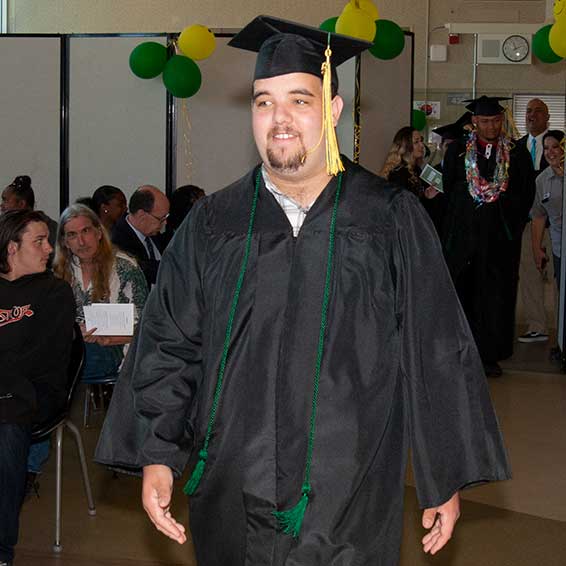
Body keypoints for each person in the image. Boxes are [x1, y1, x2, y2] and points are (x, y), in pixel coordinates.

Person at [96, 17, 509, 566]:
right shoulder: (214, 224)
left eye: (299, 99)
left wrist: (443, 472)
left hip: (348, 491)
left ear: (333, 110)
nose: (280, 119)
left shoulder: (387, 218)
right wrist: (157, 453)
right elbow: (170, 343)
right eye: (264, 102)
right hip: (231, 487)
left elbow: (433, 348)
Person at [0, 210, 75, 566]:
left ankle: (0, 550)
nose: (49, 249)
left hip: (32, 392)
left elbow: (45, 356)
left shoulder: (54, 293)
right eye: (39, 241)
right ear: (12, 247)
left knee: (7, 429)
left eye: (49, 241)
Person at [442, 96, 535, 377]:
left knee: (496, 297)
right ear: (475, 122)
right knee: (465, 293)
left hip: (499, 240)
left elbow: (525, 193)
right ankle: (463, 352)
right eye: (485, 121)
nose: (491, 126)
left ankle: (491, 355)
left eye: (496, 120)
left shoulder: (516, 153)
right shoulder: (458, 150)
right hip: (466, 239)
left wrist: (507, 220)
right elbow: (449, 189)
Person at [53, 204, 148, 382]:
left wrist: (108, 337)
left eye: (86, 231)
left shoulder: (124, 267)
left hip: (116, 349)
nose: (81, 242)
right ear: (65, 242)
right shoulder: (60, 271)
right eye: (72, 235)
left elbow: (145, 326)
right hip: (71, 347)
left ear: (98, 233)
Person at [516, 99, 551, 344]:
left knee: (557, 277)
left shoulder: (558, 145)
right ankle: (537, 325)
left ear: (547, 117)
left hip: (556, 223)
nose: (532, 115)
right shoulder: (516, 149)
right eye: (528, 111)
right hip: (528, 223)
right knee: (529, 273)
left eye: (538, 111)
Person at [111, 186, 169, 287]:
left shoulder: (153, 233)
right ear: (142, 216)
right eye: (161, 219)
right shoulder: (118, 240)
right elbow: (143, 270)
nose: (165, 222)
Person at [531, 131, 565, 290]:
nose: (550, 152)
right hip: (560, 250)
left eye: (555, 147)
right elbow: (538, 216)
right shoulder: (541, 180)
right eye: (546, 148)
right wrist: (537, 249)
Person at [1, 176, 58, 253]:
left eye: (5, 200)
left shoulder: (50, 229)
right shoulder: (3, 228)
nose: (2, 205)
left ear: (21, 204)